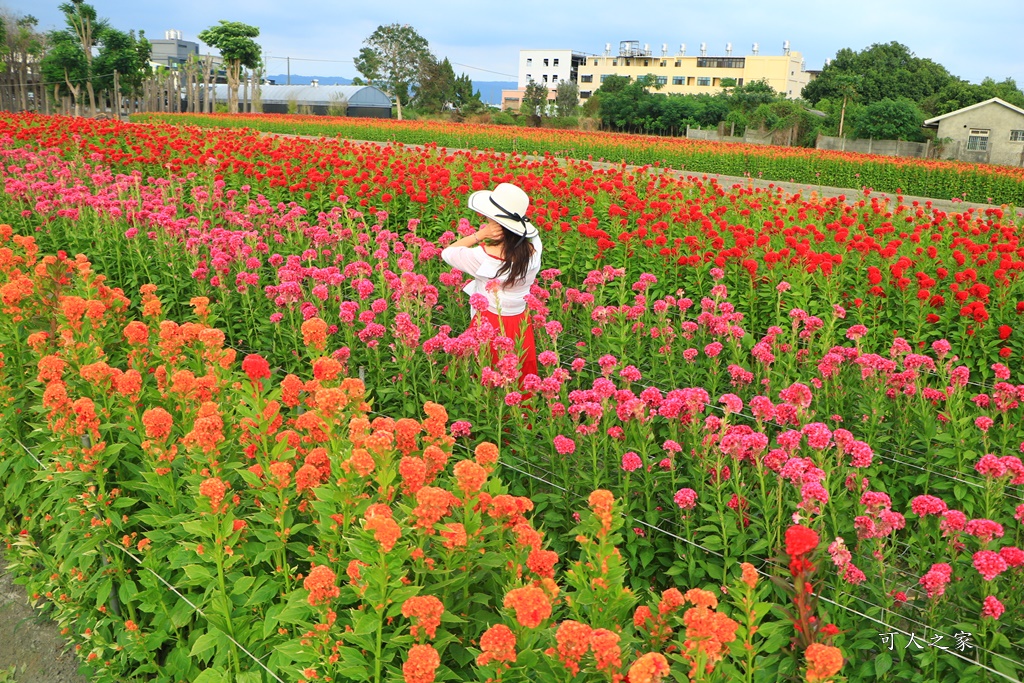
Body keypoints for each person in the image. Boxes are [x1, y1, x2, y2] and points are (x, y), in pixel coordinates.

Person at [441, 182, 542, 390]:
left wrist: (481, 235)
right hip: (520, 323)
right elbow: (533, 237)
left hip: (489, 322)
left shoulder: (484, 257)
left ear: (496, 224)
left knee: (486, 375)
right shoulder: (534, 253)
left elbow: (448, 253)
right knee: (517, 377)